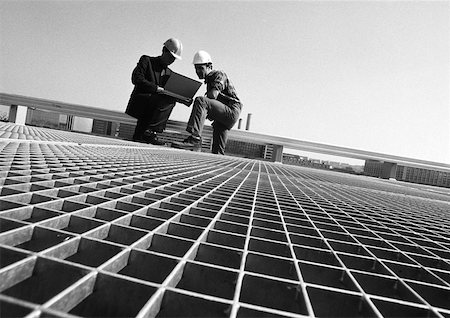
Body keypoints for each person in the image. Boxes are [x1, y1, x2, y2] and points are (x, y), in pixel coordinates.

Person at [171, 50, 242, 154]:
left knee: (201, 101)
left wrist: (200, 105)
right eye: (196, 68)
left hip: (231, 110)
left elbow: (213, 95)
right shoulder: (209, 81)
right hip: (225, 114)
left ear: (209, 66)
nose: (198, 71)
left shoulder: (218, 74)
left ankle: (195, 139)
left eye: (201, 68)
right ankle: (218, 158)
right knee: (217, 151)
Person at [125, 38, 191, 145]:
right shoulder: (147, 61)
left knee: (168, 100)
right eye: (170, 57)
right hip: (141, 101)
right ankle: (148, 133)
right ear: (164, 51)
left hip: (153, 107)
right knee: (161, 100)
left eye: (174, 59)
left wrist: (183, 99)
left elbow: (170, 93)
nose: (171, 61)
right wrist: (156, 88)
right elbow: (136, 78)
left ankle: (148, 133)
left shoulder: (169, 74)